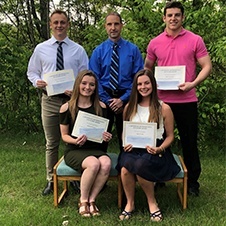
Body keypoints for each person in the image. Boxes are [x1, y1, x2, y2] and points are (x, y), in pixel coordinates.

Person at [144, 1, 212, 196]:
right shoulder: (155, 42)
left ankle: (192, 182)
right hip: (161, 101)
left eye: (177, 15)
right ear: (164, 18)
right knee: (158, 141)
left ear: (183, 17)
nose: (173, 18)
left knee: (189, 142)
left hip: (186, 100)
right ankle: (158, 177)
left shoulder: (195, 40)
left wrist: (192, 83)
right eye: (170, 15)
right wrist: (150, 86)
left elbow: (206, 66)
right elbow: (147, 68)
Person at [27, 9, 89, 196]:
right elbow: (32, 72)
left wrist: (78, 90)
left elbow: (86, 75)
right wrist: (36, 82)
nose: (59, 25)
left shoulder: (78, 50)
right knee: (51, 142)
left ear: (68, 24)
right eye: (56, 22)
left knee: (76, 141)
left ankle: (75, 178)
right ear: (51, 24)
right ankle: (51, 179)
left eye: (63, 22)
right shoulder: (41, 49)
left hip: (73, 101)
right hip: (50, 100)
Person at [117, 69, 180, 222]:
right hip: (133, 148)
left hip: (156, 148)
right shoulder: (129, 107)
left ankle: (152, 203)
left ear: (153, 84)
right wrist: (126, 144)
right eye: (139, 84)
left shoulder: (163, 108)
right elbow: (124, 133)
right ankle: (130, 204)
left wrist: (160, 148)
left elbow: (170, 136)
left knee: (140, 165)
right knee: (125, 168)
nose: (143, 87)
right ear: (135, 86)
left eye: (147, 83)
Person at [59, 70, 112, 217]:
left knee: (106, 163)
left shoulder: (101, 107)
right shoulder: (67, 107)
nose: (87, 87)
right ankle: (83, 200)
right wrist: (75, 140)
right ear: (78, 84)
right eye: (84, 83)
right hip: (75, 149)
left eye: (92, 84)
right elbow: (64, 136)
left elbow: (104, 133)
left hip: (95, 148)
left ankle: (92, 200)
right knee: (93, 164)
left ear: (95, 87)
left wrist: (106, 136)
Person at [89, 12, 143, 153]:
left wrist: (122, 99)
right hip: (103, 98)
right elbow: (94, 78)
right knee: (100, 137)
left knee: (127, 138)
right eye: (109, 24)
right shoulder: (98, 51)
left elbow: (138, 78)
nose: (113, 27)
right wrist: (108, 101)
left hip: (127, 97)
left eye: (116, 24)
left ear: (122, 26)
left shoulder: (133, 50)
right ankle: (100, 166)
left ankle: (126, 169)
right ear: (105, 27)